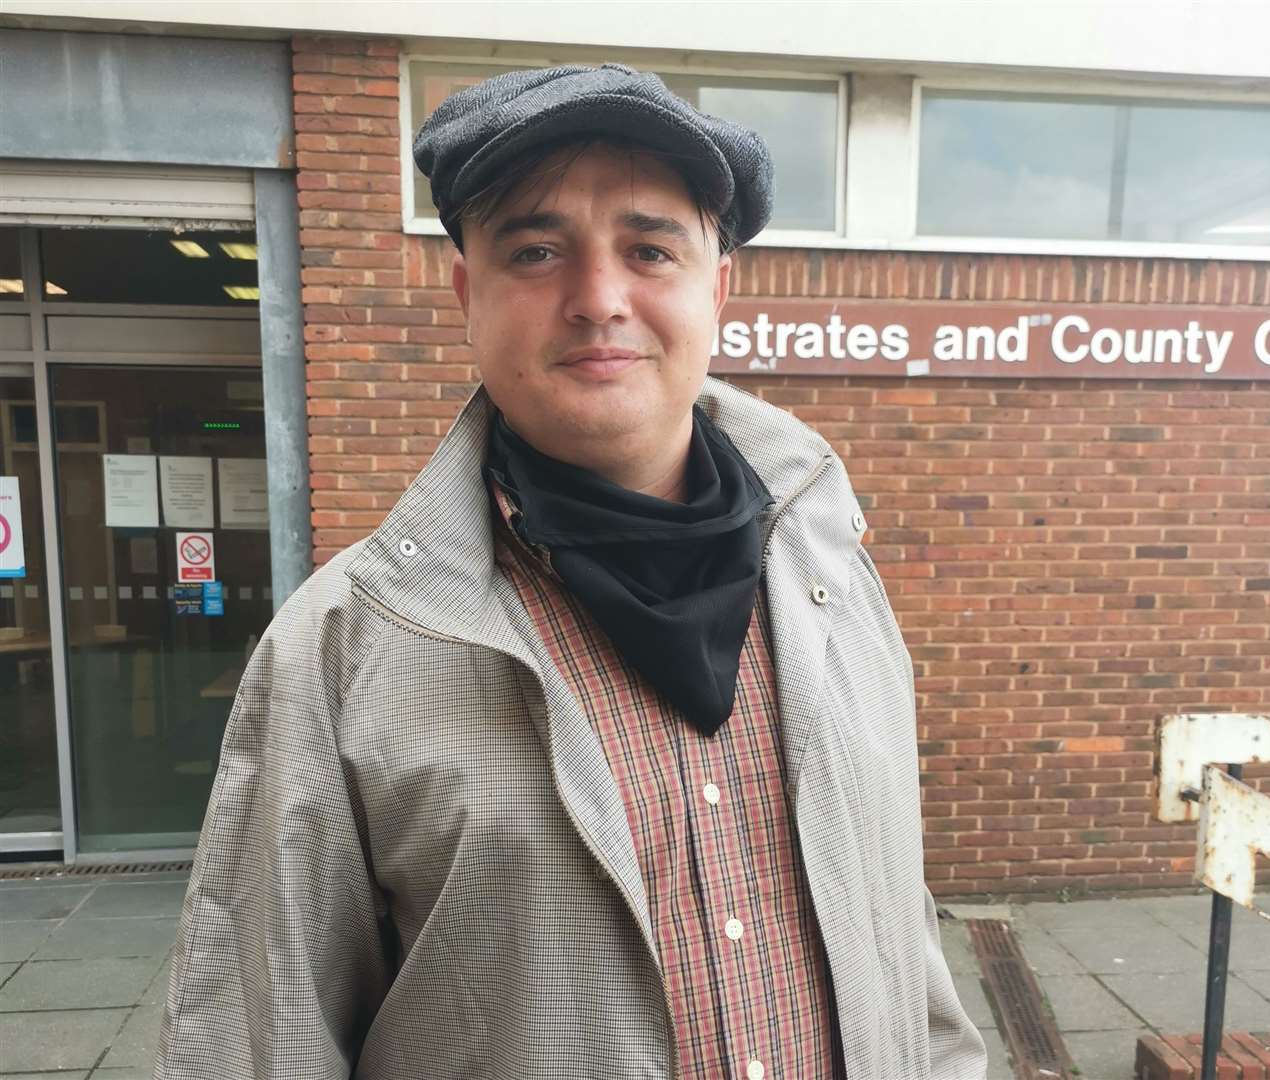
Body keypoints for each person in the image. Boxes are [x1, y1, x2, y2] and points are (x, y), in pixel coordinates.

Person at [155, 63, 985, 1080]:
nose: (598, 300)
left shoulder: (836, 589)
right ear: (468, 293)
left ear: (715, 287)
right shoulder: (343, 649)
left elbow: (906, 950)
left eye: (648, 248)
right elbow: (255, 1040)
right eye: (536, 250)